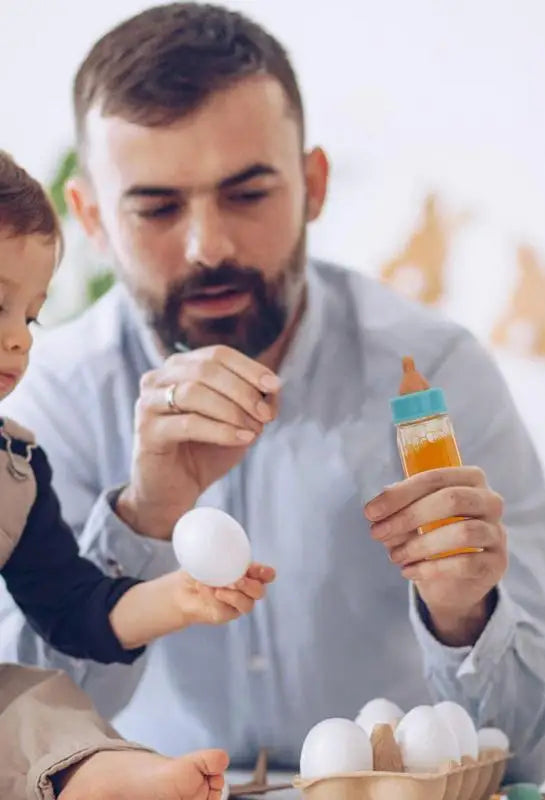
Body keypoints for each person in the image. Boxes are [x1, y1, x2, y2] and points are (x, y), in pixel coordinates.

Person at [0, 2, 545, 783]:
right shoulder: (44, 400)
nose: (210, 247)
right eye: (157, 207)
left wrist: (464, 616)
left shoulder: (436, 371)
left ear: (313, 184)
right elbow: (13, 732)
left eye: (247, 194)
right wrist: (144, 518)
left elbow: (534, 754)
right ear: (94, 219)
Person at [0, 151, 271, 798]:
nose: (20, 340)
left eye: (30, 315)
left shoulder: (18, 471)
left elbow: (73, 609)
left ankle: (111, 780)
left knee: (35, 699)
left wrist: (177, 598)